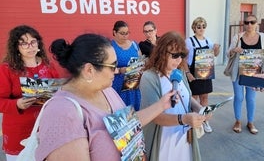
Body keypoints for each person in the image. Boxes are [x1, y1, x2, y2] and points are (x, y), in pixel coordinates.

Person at [35, 33, 177, 161]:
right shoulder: (62, 112)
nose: (116, 70)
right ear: (89, 70)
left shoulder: (107, 90)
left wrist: (162, 105)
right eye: (112, 66)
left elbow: (127, 125)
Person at [140, 31, 210, 161]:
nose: (179, 60)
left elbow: (187, 98)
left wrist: (202, 110)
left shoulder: (180, 72)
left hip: (184, 138)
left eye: (182, 55)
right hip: (164, 140)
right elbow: (155, 117)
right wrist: (183, 119)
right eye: (175, 55)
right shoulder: (149, 77)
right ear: (162, 53)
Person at [0, 25, 59, 161]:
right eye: (24, 43)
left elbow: (58, 92)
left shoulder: (48, 65)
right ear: (16, 47)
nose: (30, 46)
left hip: (46, 126)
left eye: (33, 42)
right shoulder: (7, 69)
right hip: (18, 130)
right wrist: (17, 104)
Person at [227, 14, 264, 134]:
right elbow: (227, 53)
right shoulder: (238, 36)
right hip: (238, 73)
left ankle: (250, 122)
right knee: (239, 97)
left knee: (251, 98)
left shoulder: (263, 38)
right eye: (246, 22)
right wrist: (234, 50)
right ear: (244, 24)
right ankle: (238, 121)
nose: (249, 24)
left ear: (257, 24)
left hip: (255, 74)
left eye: (252, 22)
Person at [184, 17, 220, 133]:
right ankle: (193, 121)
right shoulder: (189, 41)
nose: (201, 28)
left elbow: (215, 54)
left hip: (206, 72)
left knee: (204, 98)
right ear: (194, 28)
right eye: (199, 26)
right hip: (193, 73)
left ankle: (204, 120)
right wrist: (188, 73)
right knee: (193, 99)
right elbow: (183, 59)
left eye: (203, 26)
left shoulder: (208, 41)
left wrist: (216, 49)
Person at [111, 20, 142, 111]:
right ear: (114, 32)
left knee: (134, 113)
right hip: (117, 85)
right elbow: (105, 68)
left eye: (127, 33)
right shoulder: (110, 46)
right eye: (122, 33)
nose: (125, 36)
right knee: (121, 112)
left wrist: (140, 67)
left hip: (133, 85)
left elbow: (140, 60)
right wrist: (120, 70)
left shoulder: (134, 45)